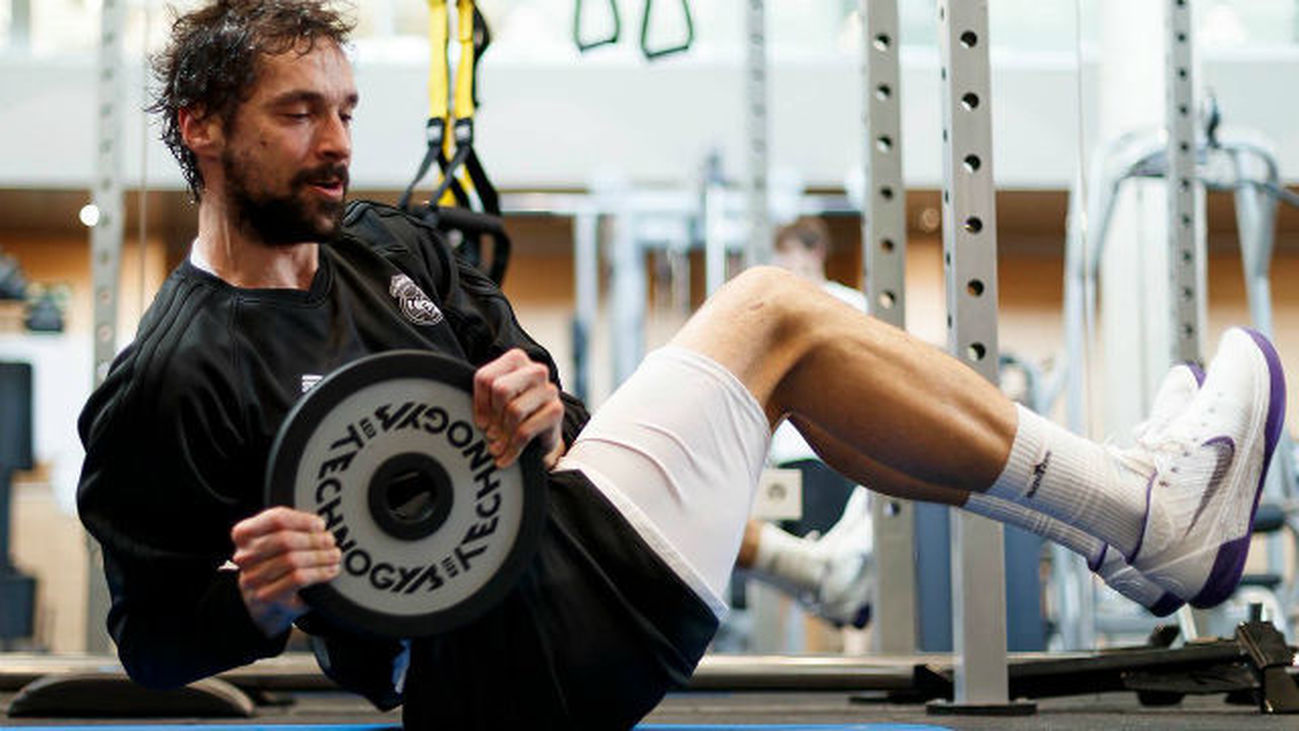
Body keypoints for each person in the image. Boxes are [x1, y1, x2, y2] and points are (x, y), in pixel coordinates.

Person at [77, 2, 1287, 728]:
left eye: (344, 109)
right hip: (494, 670)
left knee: (789, 359)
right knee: (772, 314)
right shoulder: (171, 376)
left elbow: (557, 398)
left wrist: (539, 401)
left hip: (565, 564)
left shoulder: (386, 245)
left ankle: (1125, 525)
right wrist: (258, 595)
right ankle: (1138, 513)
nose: (337, 142)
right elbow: (149, 641)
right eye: (299, 114)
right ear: (202, 128)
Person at [733, 217, 875, 630]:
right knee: (806, 574)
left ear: (814, 253)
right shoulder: (780, 309)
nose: (786, 267)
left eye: (790, 257)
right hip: (790, 457)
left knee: (845, 588)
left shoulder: (850, 304)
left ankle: (851, 657)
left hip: (832, 456)